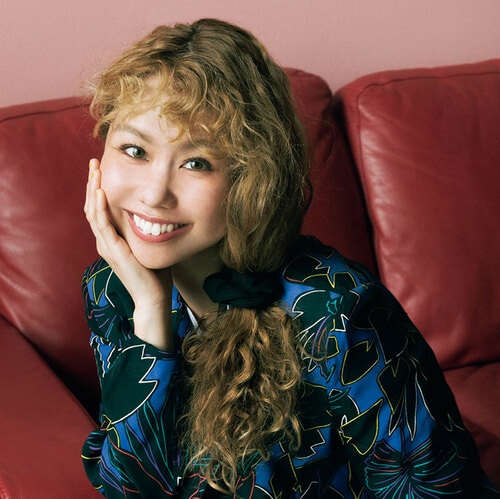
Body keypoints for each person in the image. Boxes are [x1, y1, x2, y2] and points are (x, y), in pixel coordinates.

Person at [81, 18, 498, 498]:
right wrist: (150, 314)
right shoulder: (113, 288)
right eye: (134, 150)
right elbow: (130, 486)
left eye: (197, 163)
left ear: (252, 178)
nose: (155, 194)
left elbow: (435, 489)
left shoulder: (338, 312)